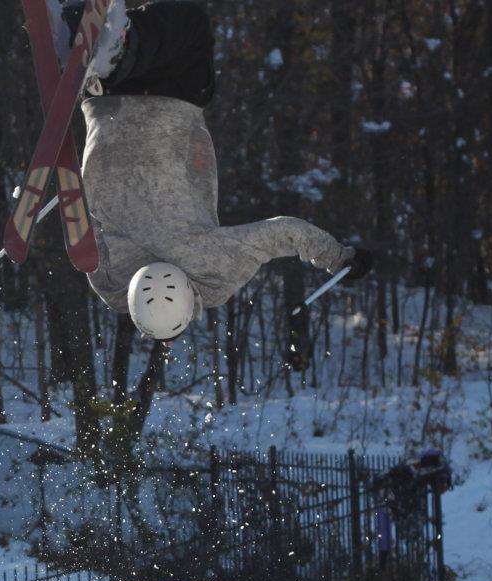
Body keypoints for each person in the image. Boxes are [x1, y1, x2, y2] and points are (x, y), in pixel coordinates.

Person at [59, 0, 373, 341]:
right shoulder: (108, 283)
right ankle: (97, 39)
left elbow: (285, 232)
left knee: (189, 22)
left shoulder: (215, 270)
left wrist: (340, 258)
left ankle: (115, 47)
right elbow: (80, 227)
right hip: (106, 109)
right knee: (151, 42)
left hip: (173, 101)